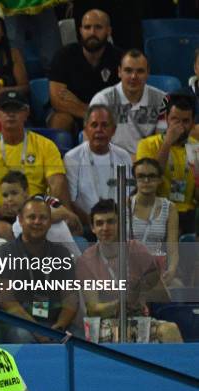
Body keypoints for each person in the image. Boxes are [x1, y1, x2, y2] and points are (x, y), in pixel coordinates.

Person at [76, 199, 183, 343]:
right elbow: (93, 309)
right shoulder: (86, 261)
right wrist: (122, 301)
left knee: (170, 330)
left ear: (120, 224)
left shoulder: (138, 250)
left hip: (138, 318)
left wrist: (144, 286)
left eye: (111, 222)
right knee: (125, 334)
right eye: (100, 223)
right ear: (93, 228)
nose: (105, 228)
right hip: (104, 323)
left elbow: (163, 297)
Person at [0, 90, 70, 228]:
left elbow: (57, 182)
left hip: (37, 216)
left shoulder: (46, 146)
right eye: (6, 109)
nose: (11, 114)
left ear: (26, 113)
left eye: (16, 109)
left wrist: (42, 209)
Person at [0, 196, 78, 343]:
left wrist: (59, 327)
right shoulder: (4, 253)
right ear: (20, 220)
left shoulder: (61, 254)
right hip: (21, 324)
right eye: (31, 217)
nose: (37, 222)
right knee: (23, 337)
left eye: (43, 218)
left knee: (81, 339)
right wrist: (37, 330)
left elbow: (71, 300)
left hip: (55, 324)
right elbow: (7, 302)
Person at [0, 171, 81, 257]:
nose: (9, 199)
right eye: (5, 195)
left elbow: (63, 211)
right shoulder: (18, 226)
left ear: (26, 192)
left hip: (73, 263)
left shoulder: (42, 198)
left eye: (14, 193)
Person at [49, 9, 123, 134]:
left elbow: (124, 102)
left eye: (98, 27)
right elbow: (57, 101)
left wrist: (80, 104)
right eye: (87, 27)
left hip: (108, 116)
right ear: (80, 30)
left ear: (109, 31)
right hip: (71, 113)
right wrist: (90, 113)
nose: (92, 32)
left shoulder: (120, 58)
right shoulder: (64, 55)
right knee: (60, 120)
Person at [136, 90, 198, 235]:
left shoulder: (196, 148)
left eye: (185, 121)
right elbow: (149, 179)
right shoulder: (147, 145)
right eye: (175, 120)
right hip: (156, 212)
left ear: (193, 122)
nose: (180, 126)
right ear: (166, 118)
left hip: (188, 213)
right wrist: (168, 143)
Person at [64, 104, 132, 226]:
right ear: (85, 129)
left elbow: (129, 197)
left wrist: (115, 225)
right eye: (94, 125)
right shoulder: (72, 158)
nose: (99, 130)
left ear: (114, 130)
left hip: (120, 225)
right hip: (87, 225)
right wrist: (94, 225)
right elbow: (71, 201)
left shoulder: (124, 156)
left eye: (105, 125)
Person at [90, 49, 166, 156]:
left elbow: (163, 144)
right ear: (119, 72)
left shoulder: (162, 100)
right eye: (128, 70)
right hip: (114, 164)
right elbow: (95, 146)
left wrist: (142, 161)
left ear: (148, 73)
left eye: (140, 71)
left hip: (149, 164)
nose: (133, 76)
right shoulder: (102, 101)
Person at [129, 158, 180, 287]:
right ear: (135, 179)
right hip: (128, 269)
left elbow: (172, 247)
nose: (146, 181)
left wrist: (172, 270)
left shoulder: (170, 208)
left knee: (177, 286)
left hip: (156, 269)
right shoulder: (124, 205)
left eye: (151, 176)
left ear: (160, 179)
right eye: (141, 176)